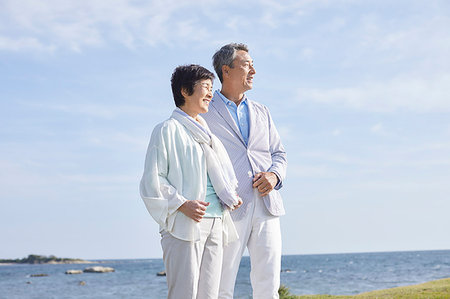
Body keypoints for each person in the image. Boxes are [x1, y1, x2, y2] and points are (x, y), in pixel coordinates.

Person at [139, 64, 242, 299]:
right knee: (184, 294)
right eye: (205, 87)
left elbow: (219, 176)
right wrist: (182, 204)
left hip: (217, 220)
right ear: (185, 91)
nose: (210, 94)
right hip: (185, 224)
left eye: (211, 88)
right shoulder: (167, 129)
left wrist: (229, 196)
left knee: (210, 295)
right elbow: (152, 180)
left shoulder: (208, 135)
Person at [202, 43, 287, 299]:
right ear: (226, 71)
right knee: (220, 284)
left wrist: (274, 175)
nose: (254, 70)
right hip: (228, 208)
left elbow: (279, 154)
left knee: (268, 284)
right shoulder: (205, 111)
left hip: (267, 205)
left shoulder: (263, 111)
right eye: (247, 64)